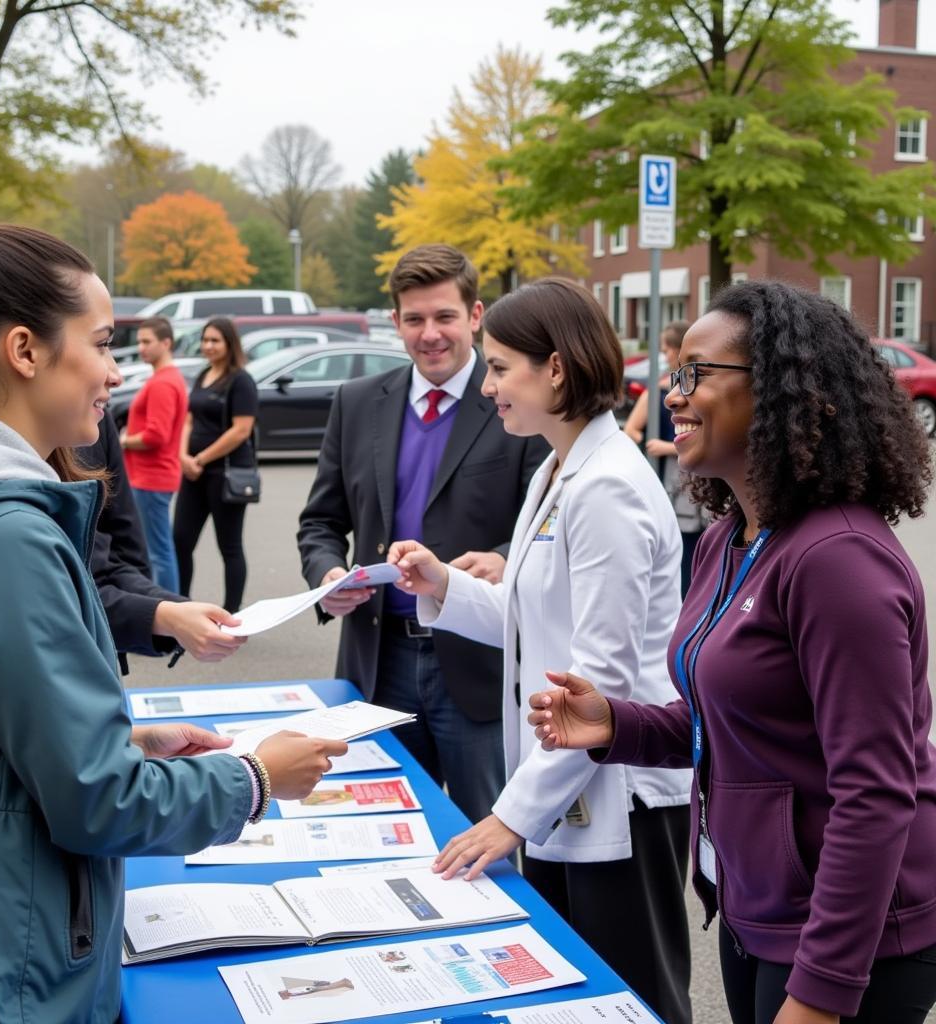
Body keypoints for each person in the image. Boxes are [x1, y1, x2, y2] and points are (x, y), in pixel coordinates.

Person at [0, 187, 347, 1024]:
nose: (118, 372)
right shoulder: (5, 535)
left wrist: (126, 738)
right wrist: (256, 778)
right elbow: (96, 801)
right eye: (103, 344)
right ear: (25, 352)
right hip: (0, 959)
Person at [528, 281, 936, 1024]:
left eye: (695, 375)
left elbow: (876, 794)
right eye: (672, 374)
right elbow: (729, 716)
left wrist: (819, 994)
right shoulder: (730, 538)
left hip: (851, 943)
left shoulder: (839, 561)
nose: (672, 395)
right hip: (759, 911)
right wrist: (618, 726)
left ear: (780, 391)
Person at [388, 278, 694, 1024]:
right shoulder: (560, 470)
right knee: (575, 997)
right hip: (565, 781)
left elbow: (600, 684)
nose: (487, 385)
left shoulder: (607, 486)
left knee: (636, 997)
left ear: (555, 369)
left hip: (621, 795)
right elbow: (533, 623)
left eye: (499, 367)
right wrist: (442, 586)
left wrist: (510, 816)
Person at [297, 244, 548, 824]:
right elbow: (321, 521)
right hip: (377, 659)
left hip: (477, 665)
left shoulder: (517, 401)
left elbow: (549, 523)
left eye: (444, 317)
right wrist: (326, 575)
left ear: (476, 316)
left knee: (488, 834)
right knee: (377, 826)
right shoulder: (357, 402)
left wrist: (506, 558)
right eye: (415, 319)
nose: (430, 334)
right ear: (395, 323)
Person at [84, 415, 247, 672]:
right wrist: (165, 616)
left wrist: (168, 610)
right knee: (169, 549)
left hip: (157, 479)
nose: (116, 377)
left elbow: (117, 557)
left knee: (165, 551)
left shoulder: (96, 420)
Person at [173, 316, 258, 613]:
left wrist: (200, 459)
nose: (207, 346)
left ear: (229, 343)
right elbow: (189, 418)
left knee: (229, 546)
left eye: (214, 341)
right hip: (193, 473)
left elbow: (241, 430)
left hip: (225, 474)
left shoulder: (241, 381)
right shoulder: (203, 375)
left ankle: (232, 614)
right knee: (180, 541)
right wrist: (183, 456)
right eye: (205, 340)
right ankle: (181, 606)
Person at [624, 321, 707, 597]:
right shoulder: (657, 392)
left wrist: (670, 446)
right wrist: (650, 449)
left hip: (701, 490)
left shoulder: (703, 393)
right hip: (670, 486)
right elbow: (632, 429)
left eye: (666, 350)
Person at [120, 316, 188, 591]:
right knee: (158, 550)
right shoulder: (165, 378)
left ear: (166, 343)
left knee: (158, 553)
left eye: (147, 341)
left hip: (151, 477)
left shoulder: (163, 382)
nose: (141, 348)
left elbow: (156, 435)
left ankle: (171, 613)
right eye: (139, 342)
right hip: (153, 476)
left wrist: (125, 441)